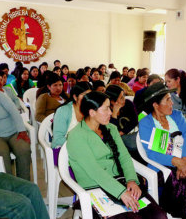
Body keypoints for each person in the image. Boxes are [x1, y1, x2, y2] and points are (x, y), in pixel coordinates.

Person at [67, 91, 167, 219]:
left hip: (120, 182)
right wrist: (121, 193)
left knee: (159, 216)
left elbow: (124, 157)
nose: (111, 112)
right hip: (95, 189)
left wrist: (131, 180)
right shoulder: (77, 136)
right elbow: (95, 171)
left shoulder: (111, 129)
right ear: (92, 112)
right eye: (106, 108)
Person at [138, 82, 186, 219]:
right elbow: (152, 153)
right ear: (155, 105)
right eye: (167, 99)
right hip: (166, 167)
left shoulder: (176, 115)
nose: (172, 102)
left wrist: (185, 160)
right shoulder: (146, 123)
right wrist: (176, 162)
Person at [0, 91, 31, 180]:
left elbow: (14, 112)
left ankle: (24, 183)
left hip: (14, 132)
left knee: (24, 149)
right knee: (1, 154)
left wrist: (22, 131)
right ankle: (8, 186)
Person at [52, 82, 92, 149]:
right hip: (64, 149)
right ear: (75, 97)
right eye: (84, 95)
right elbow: (58, 139)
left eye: (90, 95)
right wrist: (80, 144)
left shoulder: (92, 111)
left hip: (86, 147)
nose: (87, 99)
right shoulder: (63, 111)